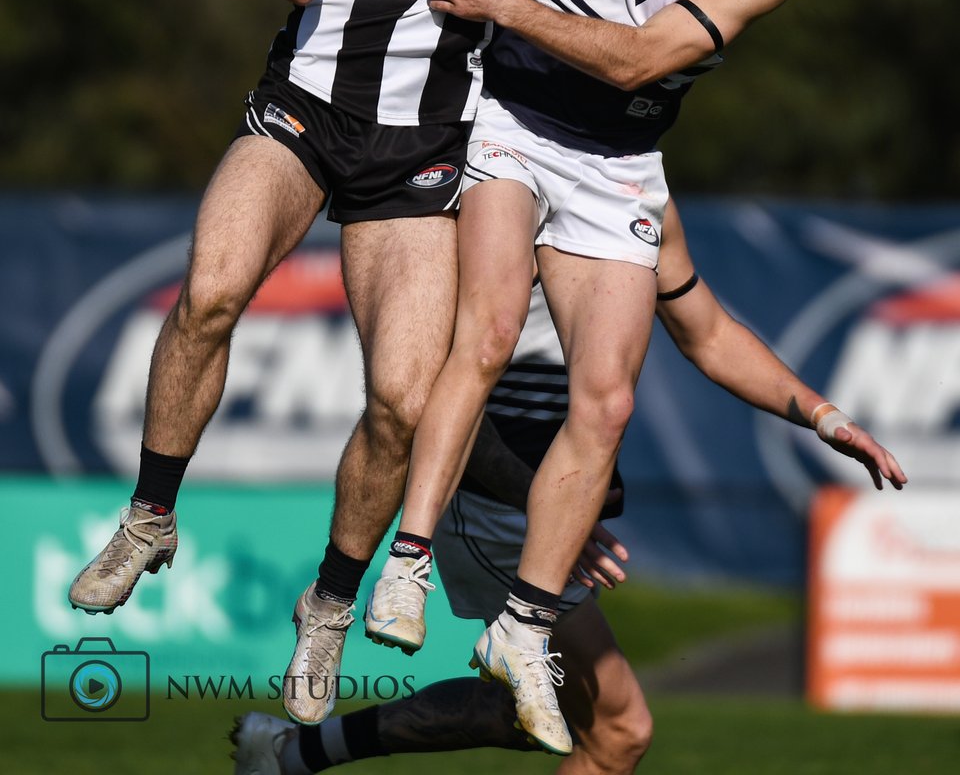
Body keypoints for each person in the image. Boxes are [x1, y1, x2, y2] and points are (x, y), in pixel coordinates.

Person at [66, 0, 543, 729]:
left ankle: (328, 604)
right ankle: (149, 517)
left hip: (424, 141)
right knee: (210, 290)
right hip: (306, 105)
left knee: (400, 401)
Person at [334, 0, 838, 751]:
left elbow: (643, 61)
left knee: (607, 400)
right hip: (513, 116)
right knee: (485, 330)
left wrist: (823, 415)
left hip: (616, 159)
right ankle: (406, 564)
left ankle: (518, 628)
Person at [229, 198, 905, 773]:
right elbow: (439, 389)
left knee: (528, 712)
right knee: (618, 733)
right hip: (494, 506)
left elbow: (709, 334)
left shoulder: (639, 188)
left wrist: (825, 416)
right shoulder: (492, 190)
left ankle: (289, 753)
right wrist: (552, 512)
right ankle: (290, 751)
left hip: (540, 509)